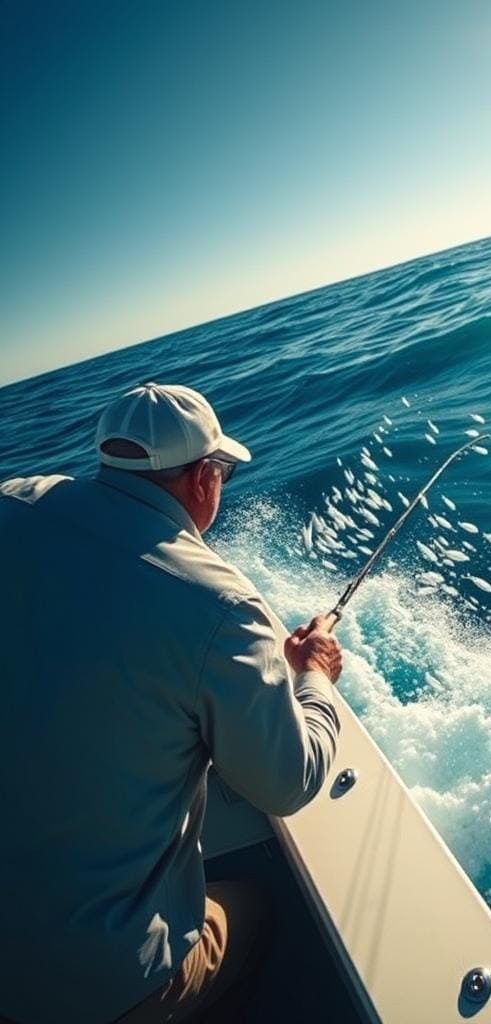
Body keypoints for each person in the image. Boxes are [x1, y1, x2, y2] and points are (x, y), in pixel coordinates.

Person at [0, 383, 344, 1024]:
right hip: (88, 987)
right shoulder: (219, 604)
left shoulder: (14, 503)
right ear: (202, 479)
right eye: (221, 470)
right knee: (257, 910)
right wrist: (314, 676)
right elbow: (288, 783)